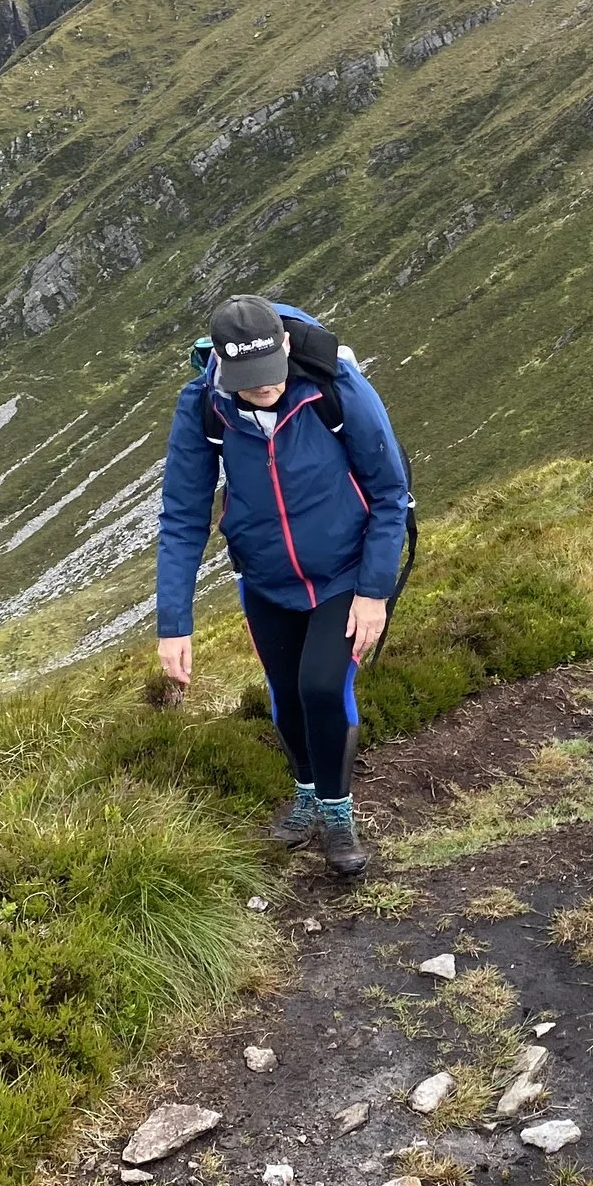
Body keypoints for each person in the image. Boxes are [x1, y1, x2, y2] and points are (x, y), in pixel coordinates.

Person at [156, 295, 413, 877]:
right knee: (286, 692)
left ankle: (337, 815)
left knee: (321, 686)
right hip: (265, 578)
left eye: (270, 374)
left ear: (287, 347)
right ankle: (306, 795)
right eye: (248, 381)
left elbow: (389, 491)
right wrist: (174, 624)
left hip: (345, 572)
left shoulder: (334, 386)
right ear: (223, 366)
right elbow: (182, 516)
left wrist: (374, 591)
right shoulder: (205, 405)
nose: (263, 388)